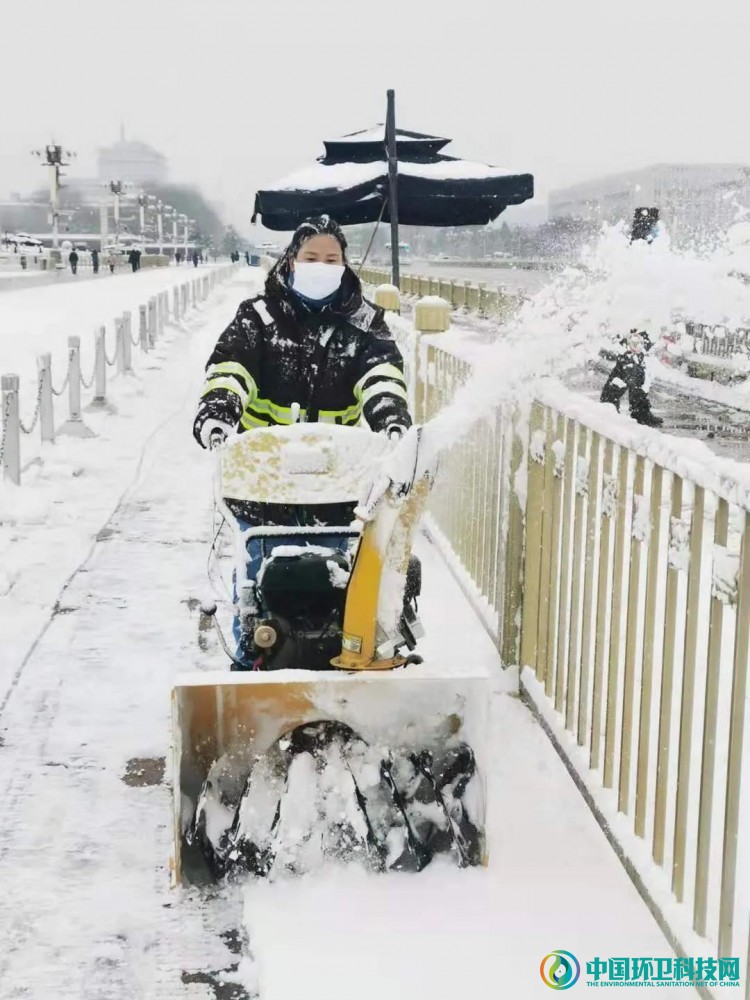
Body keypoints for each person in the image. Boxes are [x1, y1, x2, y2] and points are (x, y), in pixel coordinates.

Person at [193, 215, 411, 668]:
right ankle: (252, 659)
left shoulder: (366, 323)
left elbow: (382, 376)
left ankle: (343, 652)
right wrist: (218, 411)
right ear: (291, 261)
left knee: (343, 571)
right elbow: (231, 368)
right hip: (264, 478)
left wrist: (391, 419)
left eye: (331, 258)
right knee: (256, 569)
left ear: (345, 265)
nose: (321, 265)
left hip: (339, 479)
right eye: (311, 257)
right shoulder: (258, 317)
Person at [600, 207, 663, 428]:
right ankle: (637, 410)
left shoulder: (638, 243)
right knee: (633, 365)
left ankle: (609, 402)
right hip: (637, 321)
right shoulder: (644, 245)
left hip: (636, 318)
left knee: (628, 364)